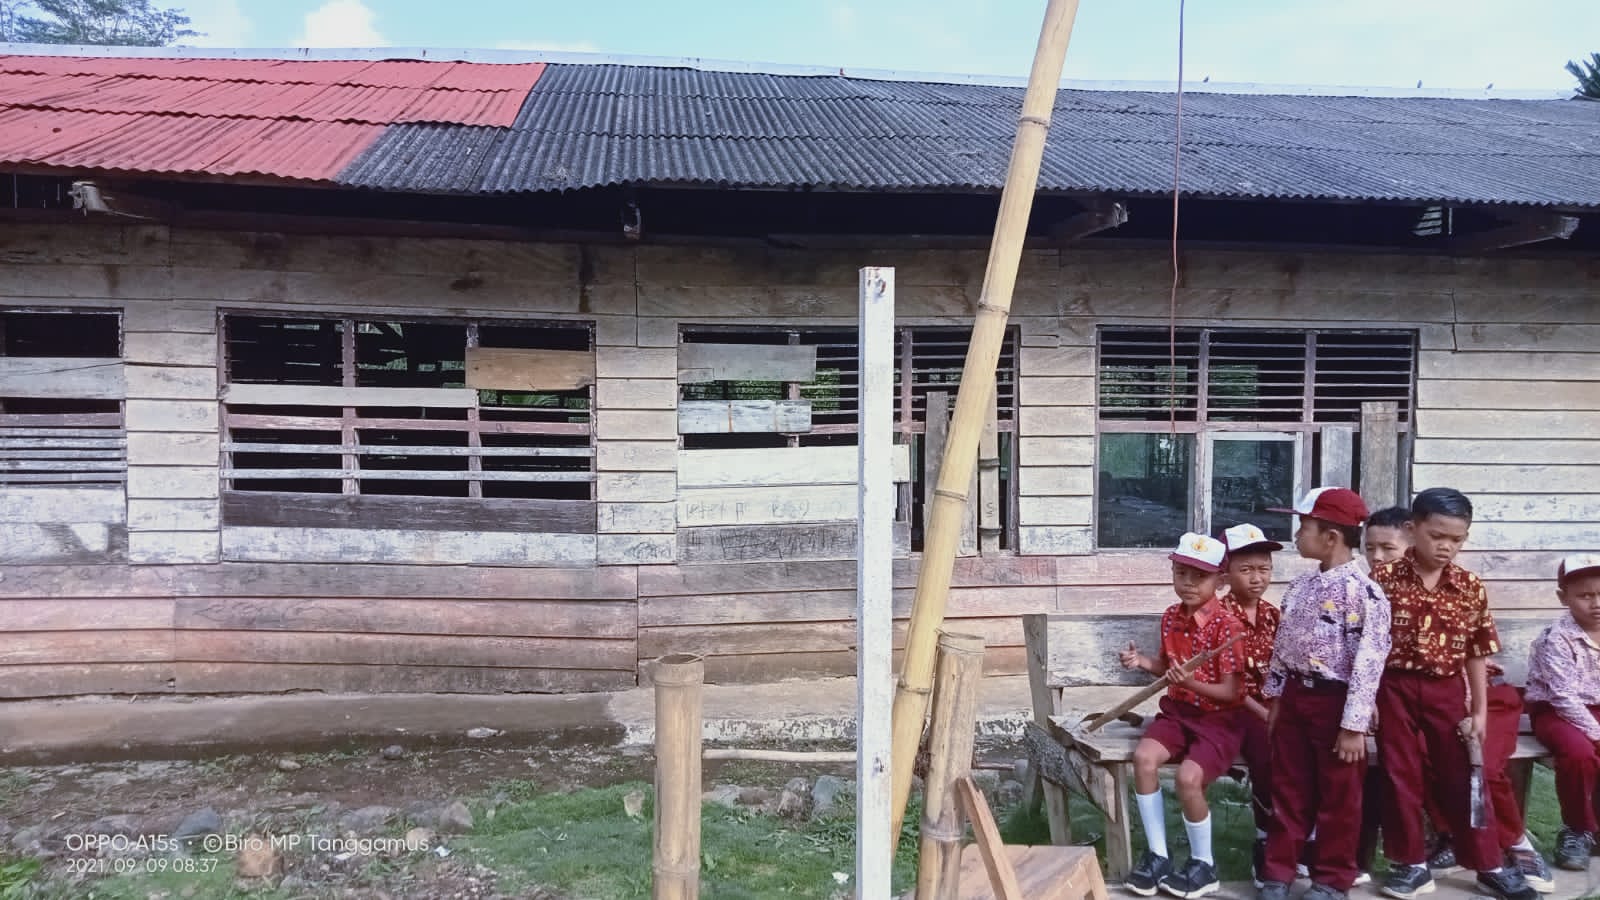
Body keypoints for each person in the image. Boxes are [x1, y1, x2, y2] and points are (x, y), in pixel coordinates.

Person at [1371, 487, 1537, 900]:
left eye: (1456, 539)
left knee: (1464, 776)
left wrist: (1478, 711)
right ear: (1412, 530)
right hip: (1392, 688)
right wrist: (1368, 703)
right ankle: (1411, 865)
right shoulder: (1383, 581)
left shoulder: (1468, 586)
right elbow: (1368, 648)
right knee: (1400, 775)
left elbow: (1477, 653)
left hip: (1446, 691)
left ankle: (1488, 862)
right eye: (1436, 535)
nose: (1445, 546)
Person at [1254, 487, 1390, 900]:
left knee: (1339, 796)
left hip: (1337, 705)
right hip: (1296, 699)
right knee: (1288, 788)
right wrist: (1276, 697)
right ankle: (1278, 873)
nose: (1297, 535)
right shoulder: (1300, 586)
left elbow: (1369, 665)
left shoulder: (1366, 594)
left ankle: (1332, 880)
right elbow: (1283, 646)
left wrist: (1353, 728)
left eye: (1304, 527)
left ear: (1330, 537)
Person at [1119, 532, 1246, 899]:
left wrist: (1191, 682)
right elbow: (1169, 667)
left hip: (1218, 721)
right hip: (1177, 714)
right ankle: (1158, 855)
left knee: (1188, 780)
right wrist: (1144, 662)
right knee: (1144, 759)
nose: (1188, 584)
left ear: (1220, 582)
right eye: (1181, 574)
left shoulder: (1228, 627)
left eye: (1199, 576)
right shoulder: (1171, 617)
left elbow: (1232, 692)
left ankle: (1203, 864)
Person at [1216, 522, 1283, 888]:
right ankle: (1265, 837)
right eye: (1246, 570)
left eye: (1264, 569)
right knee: (1266, 746)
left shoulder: (1274, 615)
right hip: (1231, 708)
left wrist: (1282, 709)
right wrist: (1267, 714)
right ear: (1225, 573)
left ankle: (1302, 836)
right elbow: (1228, 685)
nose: (1257, 578)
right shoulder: (1218, 616)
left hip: (1272, 707)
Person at [1525, 554, 1600, 871]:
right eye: (1585, 595)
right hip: (1555, 710)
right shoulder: (1555, 638)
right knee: (1579, 752)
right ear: (1563, 597)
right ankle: (1577, 829)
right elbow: (1564, 697)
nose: (1596, 603)